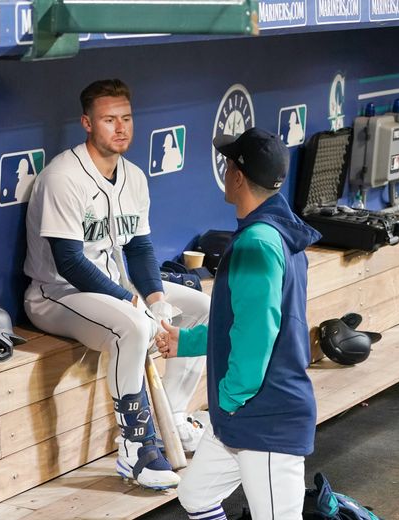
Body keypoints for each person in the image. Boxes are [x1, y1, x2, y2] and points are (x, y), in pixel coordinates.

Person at [23, 78, 208, 490]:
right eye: (109, 120)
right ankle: (135, 447)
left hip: (115, 287)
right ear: (87, 123)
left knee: (199, 306)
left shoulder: (135, 177)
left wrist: (156, 297)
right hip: (57, 294)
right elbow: (68, 263)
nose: (121, 128)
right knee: (134, 325)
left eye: (126, 118)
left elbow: (140, 249)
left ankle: (171, 418)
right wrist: (131, 301)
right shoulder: (63, 177)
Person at [156, 127, 322, 519]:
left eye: (229, 162)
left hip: (262, 418)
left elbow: (256, 334)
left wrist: (230, 400)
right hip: (242, 417)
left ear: (237, 175)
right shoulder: (274, 233)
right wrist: (189, 341)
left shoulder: (257, 244)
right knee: (195, 496)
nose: (226, 169)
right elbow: (239, 320)